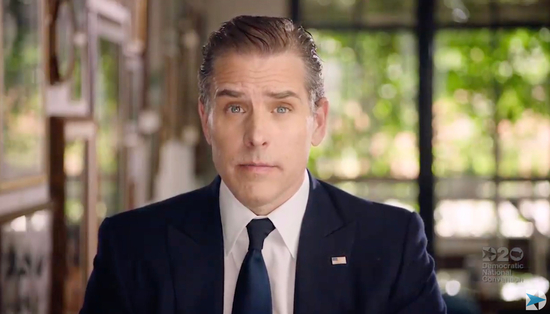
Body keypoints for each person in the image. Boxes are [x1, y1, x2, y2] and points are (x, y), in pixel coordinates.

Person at [80, 15, 447, 314]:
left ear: (318, 122)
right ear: (207, 120)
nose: (257, 135)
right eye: (235, 108)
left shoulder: (391, 244)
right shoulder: (132, 246)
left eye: (281, 108)